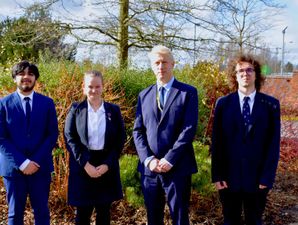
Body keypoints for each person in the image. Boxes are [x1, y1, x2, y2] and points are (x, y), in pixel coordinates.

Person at [211, 54, 281, 225]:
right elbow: (217, 143)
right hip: (228, 179)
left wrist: (267, 177)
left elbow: (273, 145)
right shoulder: (223, 104)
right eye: (240, 70)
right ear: (235, 76)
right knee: (230, 221)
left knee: (254, 221)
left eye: (250, 69)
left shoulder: (271, 105)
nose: (245, 73)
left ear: (256, 74)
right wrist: (217, 175)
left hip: (258, 180)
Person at [133, 45, 198, 225]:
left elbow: (189, 129)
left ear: (173, 64)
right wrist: (148, 159)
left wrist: (170, 159)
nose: (161, 67)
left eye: (164, 62)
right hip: (150, 170)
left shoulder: (188, 93)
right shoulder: (143, 95)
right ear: (152, 66)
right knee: (153, 219)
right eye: (156, 63)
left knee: (179, 218)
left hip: (178, 167)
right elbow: (137, 131)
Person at [0, 60, 59, 225]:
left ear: (35, 79)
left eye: (30, 74)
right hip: (13, 169)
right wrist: (23, 162)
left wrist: (35, 161)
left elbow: (52, 134)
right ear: (14, 78)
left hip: (40, 168)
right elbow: (1, 138)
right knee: (14, 215)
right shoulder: (3, 104)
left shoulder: (47, 103)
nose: (26, 77)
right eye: (21, 74)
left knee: (42, 213)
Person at [64, 70, 125, 225]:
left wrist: (107, 164)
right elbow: (70, 138)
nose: (94, 90)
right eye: (90, 86)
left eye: (97, 86)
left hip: (106, 166)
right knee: (82, 215)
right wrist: (85, 164)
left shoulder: (114, 110)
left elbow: (120, 140)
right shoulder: (75, 109)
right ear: (84, 87)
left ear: (102, 87)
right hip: (82, 166)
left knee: (104, 214)